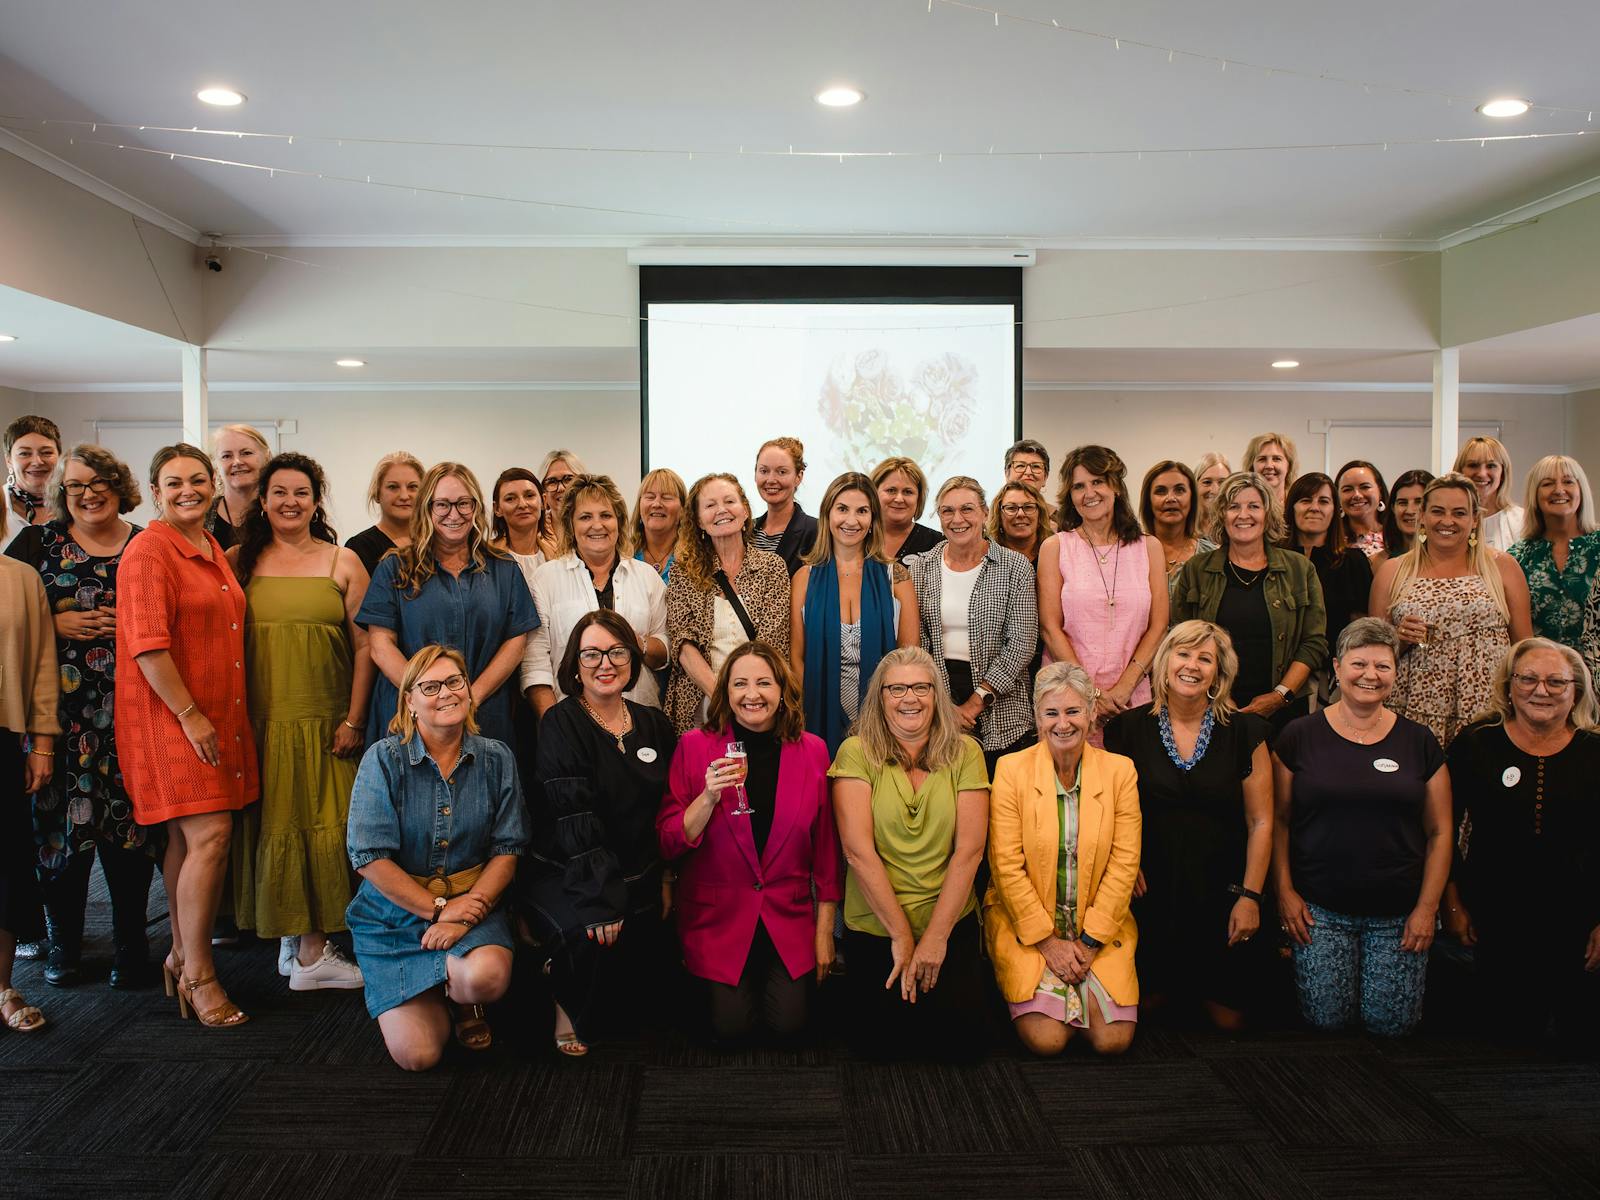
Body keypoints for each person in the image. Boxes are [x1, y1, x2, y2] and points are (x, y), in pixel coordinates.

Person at [115, 444, 258, 1028]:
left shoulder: (208, 548)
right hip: (174, 716)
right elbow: (147, 644)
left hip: (215, 713)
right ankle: (199, 972)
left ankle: (179, 953)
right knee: (211, 836)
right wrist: (190, 715)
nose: (187, 491)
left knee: (185, 842)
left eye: (198, 480)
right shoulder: (149, 551)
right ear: (155, 492)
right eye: (173, 483)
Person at [4, 445, 155, 989]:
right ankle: (63, 945)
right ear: (61, 494)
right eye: (75, 486)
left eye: (99, 483)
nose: (88, 494)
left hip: (132, 714)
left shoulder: (146, 543)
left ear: (120, 486)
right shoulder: (37, 542)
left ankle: (131, 946)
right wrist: (56, 624)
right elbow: (11, 612)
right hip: (58, 719)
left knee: (131, 836)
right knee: (58, 835)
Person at [228, 453, 374, 990]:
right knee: (275, 825)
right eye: (280, 492)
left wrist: (355, 718)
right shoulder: (237, 560)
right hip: (260, 722)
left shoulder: (343, 561)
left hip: (326, 721)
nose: (291, 502)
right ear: (261, 501)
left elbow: (365, 647)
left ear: (317, 501)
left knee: (327, 827)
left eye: (302, 493)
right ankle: (304, 949)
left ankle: (309, 947)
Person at [345, 645, 527, 1069]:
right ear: (409, 701)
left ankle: (462, 998)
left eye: (453, 682)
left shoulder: (496, 757)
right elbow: (369, 857)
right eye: (429, 686)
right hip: (393, 914)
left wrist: (463, 916)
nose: (444, 693)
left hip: (472, 906)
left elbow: (508, 848)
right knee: (418, 1057)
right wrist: (438, 909)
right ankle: (429, 985)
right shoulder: (382, 759)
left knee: (483, 978)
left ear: (467, 691)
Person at [1272, 619, 1451, 1037]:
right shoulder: (1298, 736)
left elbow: (1441, 832)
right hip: (1319, 910)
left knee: (1392, 1027)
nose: (1370, 675)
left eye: (1383, 666)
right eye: (1359, 663)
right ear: (1336, 667)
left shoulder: (1419, 741)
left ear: (1395, 672)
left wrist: (1427, 909)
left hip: (1399, 912)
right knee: (1326, 1022)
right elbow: (1279, 821)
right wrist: (1283, 892)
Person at [658, 642, 840, 1044]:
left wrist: (824, 932)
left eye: (763, 683)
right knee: (731, 1029)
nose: (752, 694)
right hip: (718, 916)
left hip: (785, 914)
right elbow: (669, 841)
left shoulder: (813, 750)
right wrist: (706, 797)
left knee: (790, 1026)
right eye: (740, 683)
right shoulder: (694, 746)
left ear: (782, 691)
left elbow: (826, 850)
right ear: (725, 692)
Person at [518, 611, 677, 1055]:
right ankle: (562, 999)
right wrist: (599, 900)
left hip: (636, 868)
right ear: (574, 664)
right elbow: (575, 820)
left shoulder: (654, 723)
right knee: (587, 934)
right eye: (591, 653)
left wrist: (666, 877)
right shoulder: (560, 723)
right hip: (568, 866)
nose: (604, 663)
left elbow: (668, 810)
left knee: (653, 976)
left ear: (631, 659)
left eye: (616, 651)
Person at [1103, 623, 1271, 1030]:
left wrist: (1250, 895)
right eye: (1183, 654)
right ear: (1163, 663)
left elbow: (1262, 820)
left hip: (1222, 889)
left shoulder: (1246, 731)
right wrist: (1124, 866)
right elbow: (1109, 812)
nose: (1191, 666)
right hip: (1151, 887)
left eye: (1205, 658)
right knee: (1144, 1013)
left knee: (1228, 1022)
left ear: (1219, 673)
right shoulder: (1126, 730)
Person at [828, 648, 989, 1061]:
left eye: (921, 687)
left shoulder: (967, 753)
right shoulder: (855, 752)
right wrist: (902, 935)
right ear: (879, 698)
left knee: (961, 1046)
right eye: (896, 688)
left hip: (948, 920)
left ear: (937, 695)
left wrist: (935, 938)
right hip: (879, 924)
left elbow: (969, 852)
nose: (909, 698)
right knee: (880, 1048)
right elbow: (857, 852)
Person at [1445, 638, 1600, 1053]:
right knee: (1508, 1039)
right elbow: (1442, 832)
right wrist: (1454, 903)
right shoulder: (1476, 744)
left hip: (1579, 923)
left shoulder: (1595, 751)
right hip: (1496, 918)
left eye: (1555, 682)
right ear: (1509, 686)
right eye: (1528, 679)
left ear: (1576, 692)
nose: (1541, 690)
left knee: (1581, 1043)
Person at [986, 662, 1141, 1055]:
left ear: (1091, 715)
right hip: (1030, 924)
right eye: (1051, 713)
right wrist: (1048, 943)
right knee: (1048, 1041)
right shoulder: (1010, 770)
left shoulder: (1120, 772)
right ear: (1037, 718)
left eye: (1073, 711)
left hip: (1096, 925)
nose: (1063, 724)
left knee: (1113, 1041)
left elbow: (1124, 866)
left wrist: (1089, 943)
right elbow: (1005, 866)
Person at [356, 462, 539, 751]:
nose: (454, 514)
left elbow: (516, 643)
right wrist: (426, 697)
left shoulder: (504, 569)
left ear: (476, 507)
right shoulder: (395, 568)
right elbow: (380, 645)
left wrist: (469, 698)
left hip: (482, 713)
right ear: (427, 509)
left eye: (463, 503)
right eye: (442, 504)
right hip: (411, 717)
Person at [1370, 473, 1533, 748]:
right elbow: (1372, 654)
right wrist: (1401, 639)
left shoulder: (1502, 567)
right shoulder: (1393, 571)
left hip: (1486, 704)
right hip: (1415, 703)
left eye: (1459, 513)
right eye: (1437, 511)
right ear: (1422, 516)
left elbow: (1525, 647)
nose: (1447, 521)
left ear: (1475, 519)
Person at [1173, 472, 1326, 732]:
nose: (1244, 515)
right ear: (1222, 514)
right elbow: (1179, 639)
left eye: (1254, 506)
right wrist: (1216, 695)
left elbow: (1314, 642)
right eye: (1234, 507)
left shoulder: (1300, 569)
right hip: (1211, 707)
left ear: (1268, 514)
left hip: (1285, 711)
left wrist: (1279, 696)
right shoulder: (1197, 570)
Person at [909, 477, 1039, 775]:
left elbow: (1021, 643)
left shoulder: (1015, 566)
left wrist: (974, 703)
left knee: (1004, 809)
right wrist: (945, 706)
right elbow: (918, 640)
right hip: (939, 701)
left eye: (967, 509)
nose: (957, 519)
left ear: (985, 513)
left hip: (1003, 705)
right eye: (947, 511)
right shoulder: (922, 567)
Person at [1039, 447, 1168, 746]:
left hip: (1131, 695)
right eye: (1078, 486)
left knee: (1127, 785)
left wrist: (1123, 689)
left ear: (1115, 487)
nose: (1089, 493)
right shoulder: (1056, 547)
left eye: (1097, 481)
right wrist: (1090, 693)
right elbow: (1050, 627)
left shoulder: (1149, 548)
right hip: (1068, 696)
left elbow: (1159, 625)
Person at [790, 473, 919, 754]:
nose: (851, 520)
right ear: (827, 514)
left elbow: (909, 659)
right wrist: (804, 716)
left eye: (862, 511)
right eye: (842, 509)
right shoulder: (804, 578)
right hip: (817, 715)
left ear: (873, 519)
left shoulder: (896, 577)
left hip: (884, 719)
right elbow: (797, 659)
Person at [521, 474, 668, 713]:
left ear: (619, 521)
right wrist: (553, 725)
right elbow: (535, 664)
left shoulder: (647, 577)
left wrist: (637, 642)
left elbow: (664, 653)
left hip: (640, 717)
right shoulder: (545, 579)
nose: (597, 525)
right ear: (570, 524)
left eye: (606, 515)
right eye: (585, 517)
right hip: (570, 720)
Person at [664, 473, 790, 733]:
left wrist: (746, 697)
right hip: (700, 707)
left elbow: (772, 643)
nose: (721, 510)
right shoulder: (682, 572)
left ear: (744, 511)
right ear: (698, 520)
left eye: (729, 502)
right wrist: (723, 698)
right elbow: (682, 643)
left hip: (759, 704)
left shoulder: (772, 568)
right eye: (710, 505)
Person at [0, 503, 58, 1033]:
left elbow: (43, 663)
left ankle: (3, 988)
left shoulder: (19, 578)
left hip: (4, 738)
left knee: (7, 865)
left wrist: (42, 741)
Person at [1283, 472, 1372, 704]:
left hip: (1334, 679)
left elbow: (1362, 627)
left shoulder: (1353, 562)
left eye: (1323, 501)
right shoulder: (1273, 561)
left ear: (1335, 510)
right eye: (1305, 500)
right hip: (1279, 676)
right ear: (1291, 508)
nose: (1314, 508)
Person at [1508, 455, 1600, 653]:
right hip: (1542, 676)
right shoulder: (1517, 557)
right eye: (1548, 484)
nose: (1559, 490)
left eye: (1568, 482)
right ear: (1535, 495)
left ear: (1581, 490)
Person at [1139, 459, 1215, 596]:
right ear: (1148, 501)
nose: (1170, 498)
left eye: (1179, 490)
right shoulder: (1132, 554)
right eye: (1160, 491)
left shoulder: (1211, 556)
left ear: (1192, 498)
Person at [346, 451, 423, 578]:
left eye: (412, 487)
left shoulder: (436, 542)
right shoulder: (359, 548)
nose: (404, 496)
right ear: (377, 493)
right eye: (393, 487)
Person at [751, 436, 818, 576]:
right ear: (755, 475)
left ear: (798, 477)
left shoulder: (817, 531)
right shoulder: (745, 530)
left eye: (782, 472)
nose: (771, 480)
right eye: (764, 471)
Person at [207, 424, 272, 551]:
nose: (237, 462)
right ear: (215, 464)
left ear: (266, 457)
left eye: (246, 453)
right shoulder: (201, 516)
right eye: (226, 456)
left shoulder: (281, 511)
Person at [1455, 435, 1524, 553]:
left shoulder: (1522, 521)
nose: (1482, 474)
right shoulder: (1448, 520)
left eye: (1491, 466)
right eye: (1473, 465)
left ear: (1502, 474)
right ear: (1460, 472)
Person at [3, 415, 61, 553]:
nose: (37, 461)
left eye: (46, 452)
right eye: (24, 453)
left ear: (60, 457)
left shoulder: (78, 504)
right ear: (9, 461)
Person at [871, 456, 944, 563]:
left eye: (908, 492)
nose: (899, 499)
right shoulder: (856, 537)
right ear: (873, 493)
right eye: (891, 490)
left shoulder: (938, 545)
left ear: (919, 499)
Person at [489, 466, 546, 583]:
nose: (522, 504)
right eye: (510, 499)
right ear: (497, 509)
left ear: (543, 501)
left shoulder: (561, 557)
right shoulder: (485, 557)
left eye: (529, 496)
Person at [631, 467, 687, 583]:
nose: (656, 504)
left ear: (682, 509)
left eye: (666, 498)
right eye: (650, 497)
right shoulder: (624, 557)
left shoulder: (695, 561)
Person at [1334, 459, 1390, 561]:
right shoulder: (1332, 540)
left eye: (1365, 487)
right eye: (1347, 489)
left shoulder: (1396, 536)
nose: (1357, 495)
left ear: (1380, 491)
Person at [986, 480, 1050, 566]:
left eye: (1028, 507)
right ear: (999, 516)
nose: (1021, 514)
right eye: (1011, 508)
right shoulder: (987, 556)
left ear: (1040, 515)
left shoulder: (1056, 552)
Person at [537, 449, 587, 559]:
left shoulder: (598, 527)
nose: (561, 488)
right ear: (543, 491)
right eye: (552, 481)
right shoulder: (534, 532)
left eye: (568, 479)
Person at [1382, 468, 1434, 557]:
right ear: (1392, 508)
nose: (1409, 510)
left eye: (1419, 502)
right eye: (1402, 503)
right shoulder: (1377, 563)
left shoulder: (1450, 560)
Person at [1242, 433, 1297, 510]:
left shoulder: (1297, 504)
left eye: (1276, 459)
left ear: (1289, 466)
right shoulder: (1241, 504)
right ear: (1251, 466)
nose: (1269, 466)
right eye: (1262, 459)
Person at [1193, 452, 1231, 527]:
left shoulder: (1236, 527)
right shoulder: (1182, 527)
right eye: (1207, 482)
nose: (1215, 490)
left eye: (1222, 482)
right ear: (1195, 485)